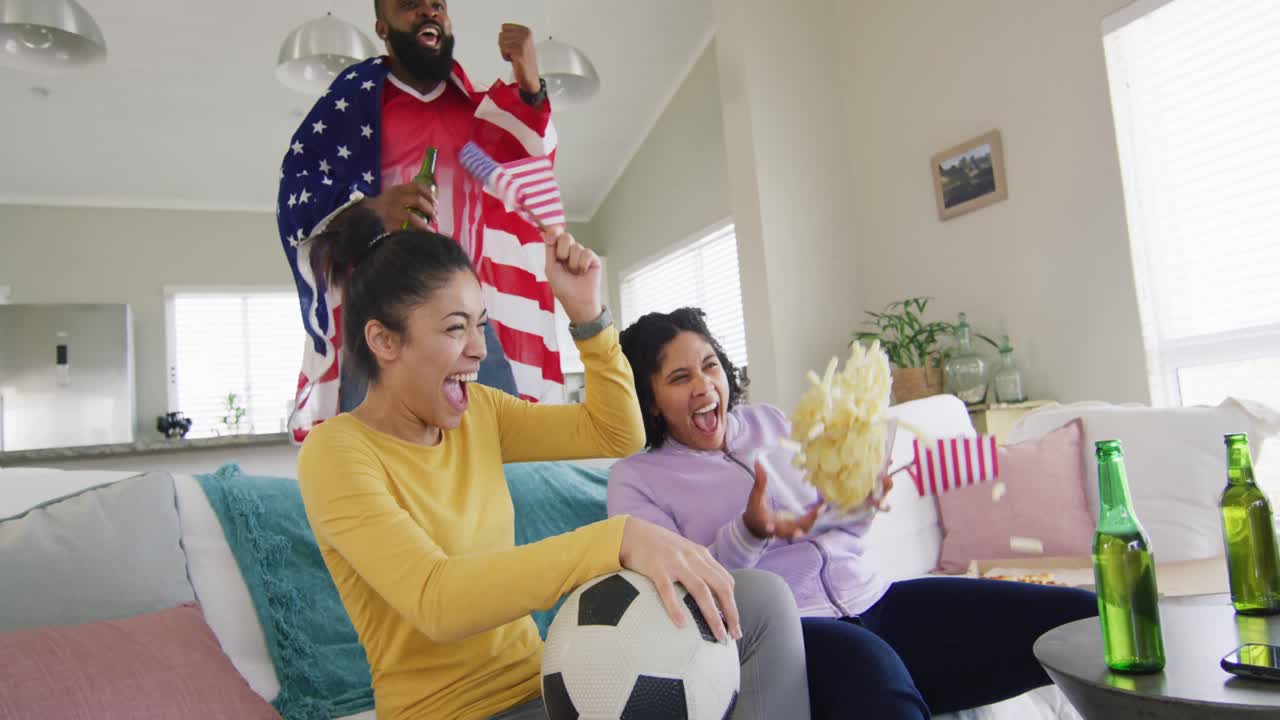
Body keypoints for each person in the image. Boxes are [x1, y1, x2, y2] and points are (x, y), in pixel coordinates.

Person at [295, 211, 814, 720]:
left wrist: (588, 317)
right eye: (456, 329)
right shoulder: (336, 454)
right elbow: (437, 599)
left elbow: (617, 432)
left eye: (480, 325)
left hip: (552, 682)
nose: (479, 349)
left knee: (762, 602)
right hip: (452, 711)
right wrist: (617, 540)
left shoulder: (480, 413)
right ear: (385, 341)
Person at [609, 307, 1100, 719]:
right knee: (883, 693)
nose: (703, 386)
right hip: (795, 634)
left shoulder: (771, 423)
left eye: (710, 365)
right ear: (649, 402)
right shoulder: (637, 479)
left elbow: (825, 528)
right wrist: (749, 532)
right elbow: (680, 598)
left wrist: (858, 504)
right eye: (679, 377)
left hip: (876, 599)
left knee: (1082, 622)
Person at [278, 0, 566, 444]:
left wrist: (530, 87)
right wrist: (372, 211)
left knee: (500, 462)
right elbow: (300, 199)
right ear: (382, 26)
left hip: (469, 324)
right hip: (381, 330)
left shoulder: (476, 112)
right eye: (410, 5)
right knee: (383, 469)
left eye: (438, 5)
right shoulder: (351, 106)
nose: (428, 12)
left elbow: (530, 177)